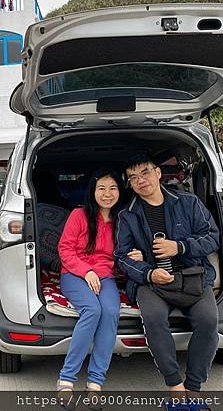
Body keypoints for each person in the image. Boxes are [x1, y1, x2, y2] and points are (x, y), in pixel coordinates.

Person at [114, 153, 219, 409]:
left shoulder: (188, 202)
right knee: (153, 319)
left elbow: (212, 237)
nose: (140, 180)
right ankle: (175, 387)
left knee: (208, 321)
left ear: (158, 173)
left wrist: (179, 247)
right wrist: (148, 272)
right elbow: (121, 257)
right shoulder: (127, 215)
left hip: (192, 276)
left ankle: (193, 388)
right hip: (151, 282)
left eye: (145, 172)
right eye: (133, 177)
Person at [56, 168, 142, 408]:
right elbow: (65, 250)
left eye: (113, 188)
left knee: (111, 312)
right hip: (75, 274)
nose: (107, 194)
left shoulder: (123, 219)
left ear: (119, 191)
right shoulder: (79, 215)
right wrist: (86, 270)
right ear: (92, 191)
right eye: (101, 188)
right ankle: (66, 378)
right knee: (92, 310)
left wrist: (138, 254)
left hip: (106, 277)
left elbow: (125, 251)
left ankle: (95, 383)